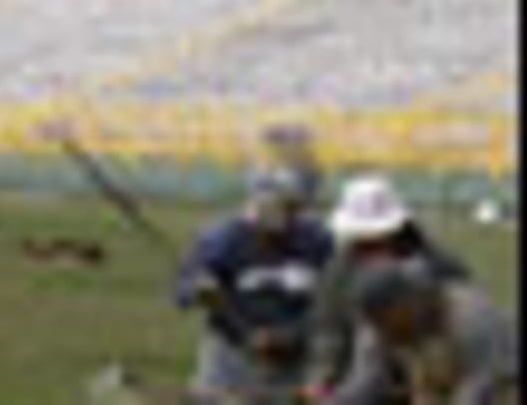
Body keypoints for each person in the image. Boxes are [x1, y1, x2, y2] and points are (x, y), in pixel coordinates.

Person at [175, 166, 334, 403]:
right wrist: (200, 289)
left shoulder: (319, 242)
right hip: (231, 362)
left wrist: (291, 335)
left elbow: (336, 303)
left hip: (295, 363)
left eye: (294, 208)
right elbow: (184, 289)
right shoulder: (223, 239)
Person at [302, 175, 470, 400]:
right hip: (362, 376)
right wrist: (322, 376)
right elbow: (329, 328)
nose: (372, 246)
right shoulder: (339, 271)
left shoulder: (438, 267)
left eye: (379, 238)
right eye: (363, 239)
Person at [329, 260, 517, 404]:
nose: (383, 333)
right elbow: (363, 382)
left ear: (407, 302)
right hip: (444, 384)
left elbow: (482, 385)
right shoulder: (378, 329)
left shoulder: (471, 316)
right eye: (375, 323)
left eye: (385, 320)